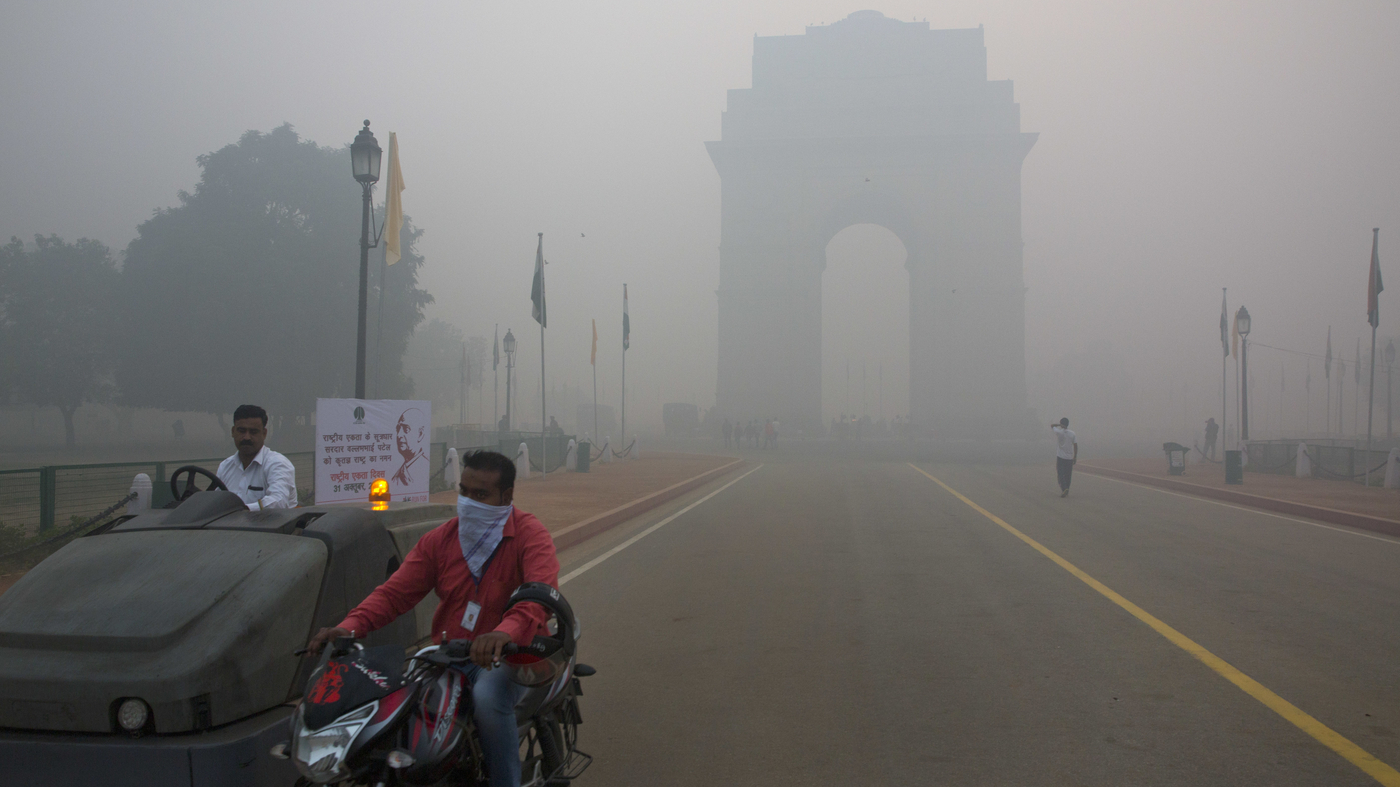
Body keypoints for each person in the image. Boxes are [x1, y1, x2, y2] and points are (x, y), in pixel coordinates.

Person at [307, 451, 558, 787]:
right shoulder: (441, 540)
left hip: (511, 656)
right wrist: (348, 627)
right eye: (464, 491)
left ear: (506, 496)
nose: (468, 502)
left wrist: (504, 632)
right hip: (450, 653)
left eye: (480, 494)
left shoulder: (530, 535)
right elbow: (394, 593)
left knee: (488, 701)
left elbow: (538, 596)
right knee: (403, 705)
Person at [216, 404, 297, 510]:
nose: (247, 437)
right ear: (233, 432)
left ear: (264, 433)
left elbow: (278, 502)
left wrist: (241, 510)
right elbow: (216, 502)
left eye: (253, 432)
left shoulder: (278, 464)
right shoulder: (225, 466)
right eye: (241, 431)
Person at [391, 407, 430, 486]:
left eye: (406, 429)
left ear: (420, 435)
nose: (399, 435)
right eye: (398, 429)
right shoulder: (400, 471)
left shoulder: (423, 468)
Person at [1052, 417, 1078, 497]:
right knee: (1068, 474)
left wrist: (1059, 425)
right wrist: (1075, 456)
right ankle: (1067, 488)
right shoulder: (1072, 433)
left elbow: (1052, 426)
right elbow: (1075, 445)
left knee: (1060, 473)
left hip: (1060, 457)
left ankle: (1064, 488)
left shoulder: (1059, 432)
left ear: (1061, 424)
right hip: (1069, 457)